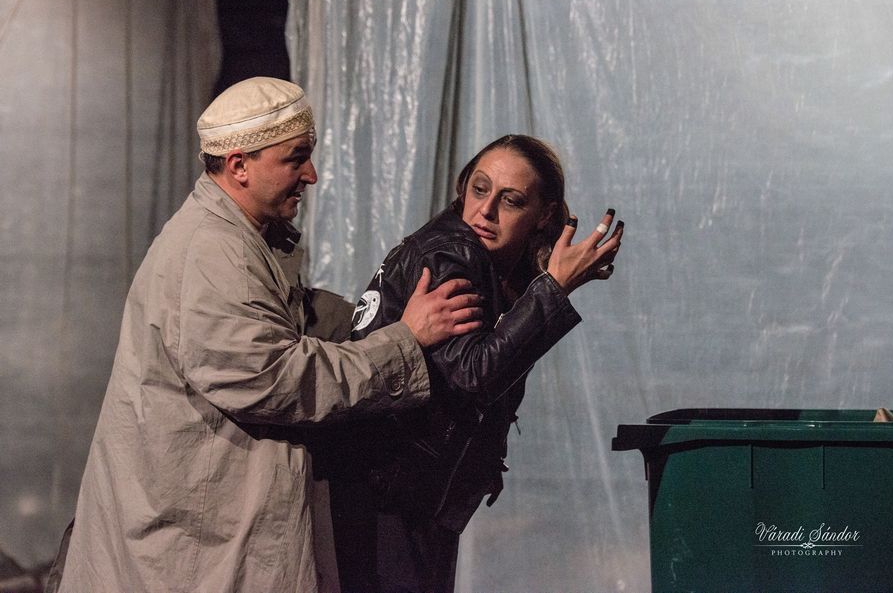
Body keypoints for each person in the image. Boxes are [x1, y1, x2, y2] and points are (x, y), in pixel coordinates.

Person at [54, 77, 482, 593]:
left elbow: (287, 317)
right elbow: (277, 378)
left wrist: (374, 316)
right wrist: (404, 342)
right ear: (239, 165)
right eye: (295, 158)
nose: (311, 175)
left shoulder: (237, 237)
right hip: (193, 547)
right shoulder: (214, 253)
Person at [325, 134, 624, 593]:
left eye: (511, 200)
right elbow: (472, 374)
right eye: (479, 189)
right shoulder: (452, 253)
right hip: (385, 497)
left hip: (408, 496)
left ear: (544, 214)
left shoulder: (492, 264)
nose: (485, 210)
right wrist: (554, 291)